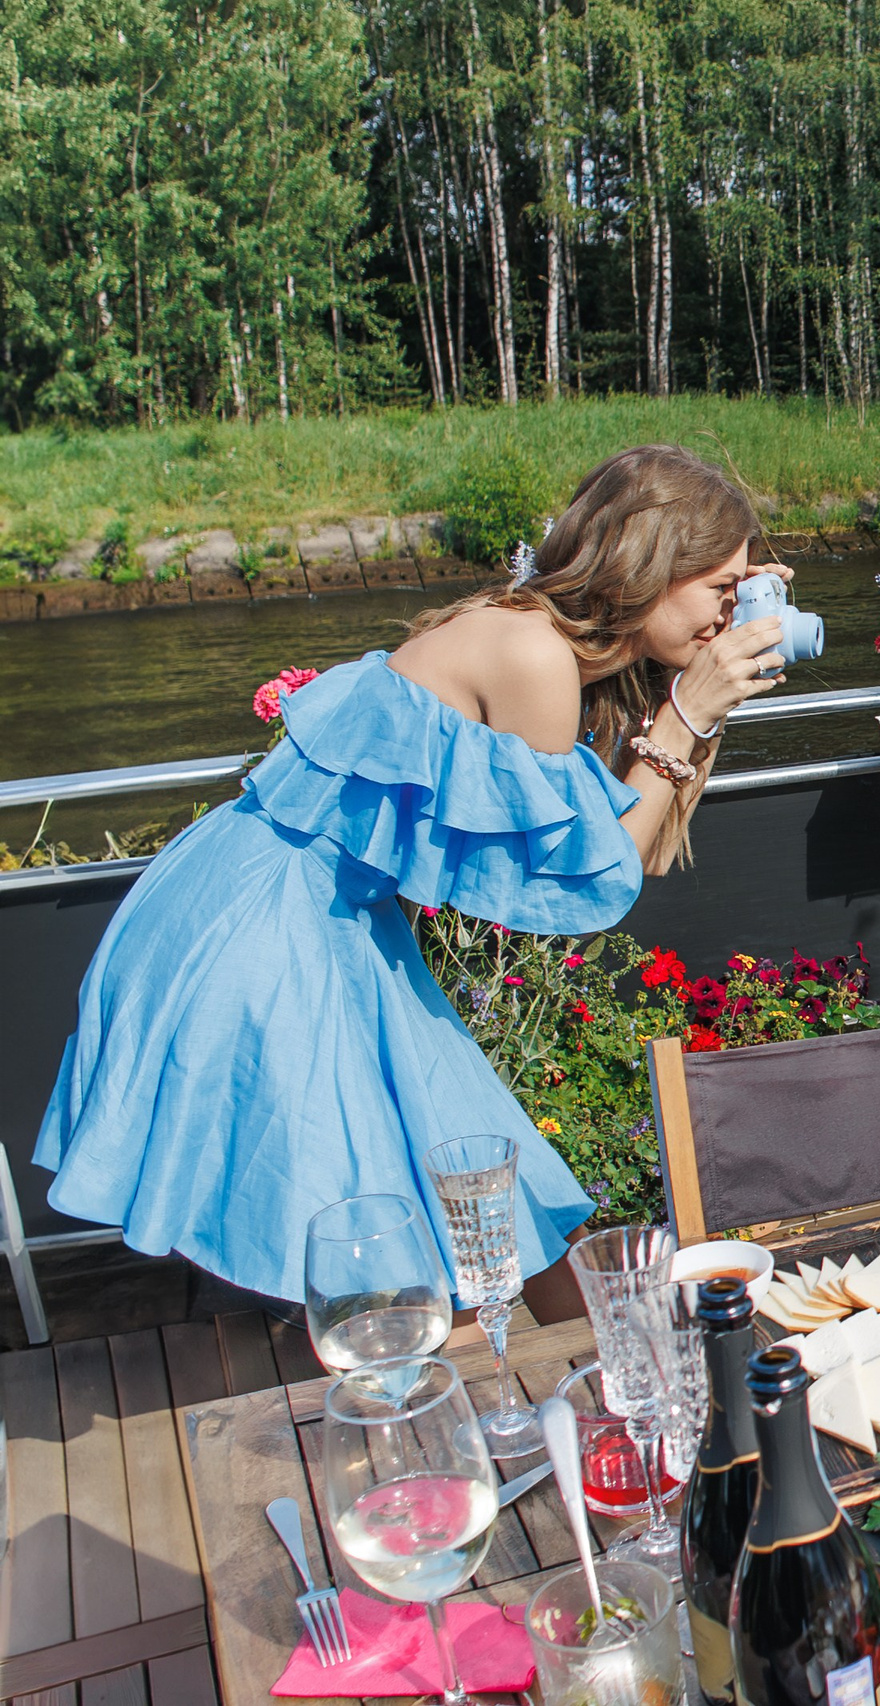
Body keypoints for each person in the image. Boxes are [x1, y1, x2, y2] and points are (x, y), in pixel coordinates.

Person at [35, 444, 793, 1303]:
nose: (730, 611)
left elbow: (637, 844)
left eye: (743, 590)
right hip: (264, 929)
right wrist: (686, 713)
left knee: (479, 1224)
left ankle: (557, 1362)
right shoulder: (533, 655)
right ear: (653, 563)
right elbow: (584, 888)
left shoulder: (551, 640)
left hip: (316, 914)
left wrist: (699, 704)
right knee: (406, 1258)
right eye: (722, 588)